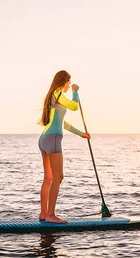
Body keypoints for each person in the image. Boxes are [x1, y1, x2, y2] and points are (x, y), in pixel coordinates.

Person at [38, 70, 90, 223]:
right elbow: (74, 106)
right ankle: (51, 215)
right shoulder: (57, 93)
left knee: (48, 177)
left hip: (44, 139)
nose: (69, 85)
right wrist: (75, 91)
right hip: (53, 139)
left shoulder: (52, 96)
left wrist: (81, 134)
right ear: (64, 81)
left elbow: (62, 123)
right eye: (69, 82)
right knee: (58, 177)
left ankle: (43, 214)